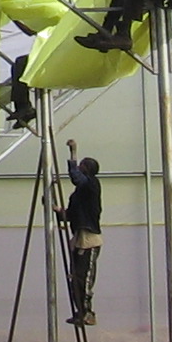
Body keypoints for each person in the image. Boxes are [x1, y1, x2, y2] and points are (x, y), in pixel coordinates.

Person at [62, 139, 102, 327]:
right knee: (75, 277)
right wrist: (56, 210)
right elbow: (70, 215)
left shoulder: (92, 185)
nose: (79, 167)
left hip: (89, 239)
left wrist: (73, 153)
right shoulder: (78, 195)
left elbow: (76, 178)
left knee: (84, 277)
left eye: (82, 165)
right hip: (79, 238)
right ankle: (80, 311)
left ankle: (88, 312)